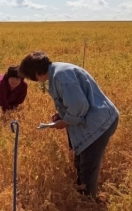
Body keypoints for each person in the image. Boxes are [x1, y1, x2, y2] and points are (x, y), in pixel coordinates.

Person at [18, 51, 119, 199]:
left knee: (88, 167)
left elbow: (79, 105)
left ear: (36, 73)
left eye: (29, 76)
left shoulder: (61, 76)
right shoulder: (58, 72)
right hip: (93, 119)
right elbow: (73, 102)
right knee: (79, 159)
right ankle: (81, 195)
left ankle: (87, 203)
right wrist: (62, 115)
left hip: (98, 123)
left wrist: (64, 122)